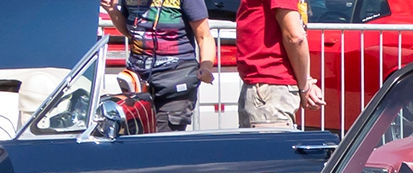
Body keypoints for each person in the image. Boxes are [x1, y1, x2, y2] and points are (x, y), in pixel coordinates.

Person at [100, 0, 216, 132]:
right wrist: (112, 11)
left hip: (176, 79)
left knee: (161, 141)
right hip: (138, 82)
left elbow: (204, 36)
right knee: (138, 139)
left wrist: (206, 66)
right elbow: (131, 31)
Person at [236, 0, 325, 128]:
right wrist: (305, 85)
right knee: (273, 147)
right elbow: (295, 37)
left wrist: (307, 82)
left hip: (264, 89)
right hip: (270, 90)